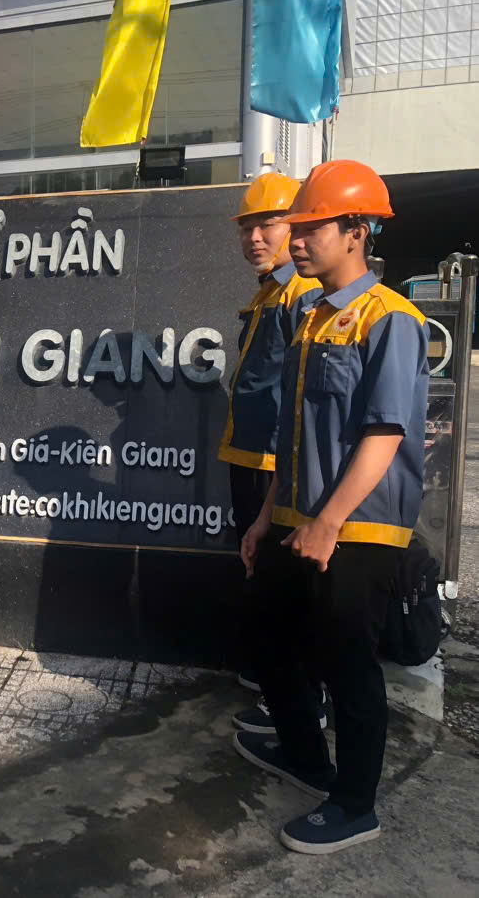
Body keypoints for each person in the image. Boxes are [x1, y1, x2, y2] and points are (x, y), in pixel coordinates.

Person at [237, 160, 427, 854]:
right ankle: (304, 757)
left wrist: (329, 520)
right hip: (296, 518)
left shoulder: (391, 319)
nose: (295, 240)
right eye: (297, 227)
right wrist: (268, 516)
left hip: (359, 526)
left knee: (348, 664)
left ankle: (354, 804)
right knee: (269, 640)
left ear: (356, 231)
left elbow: (385, 431)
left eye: (311, 227)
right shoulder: (312, 318)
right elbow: (293, 435)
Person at [218, 173, 327, 735]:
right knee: (260, 575)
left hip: (275, 466)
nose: (255, 237)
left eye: (269, 224)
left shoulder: (302, 295)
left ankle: (300, 699)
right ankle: (274, 675)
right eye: (247, 228)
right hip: (251, 457)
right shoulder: (271, 292)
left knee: (284, 583)